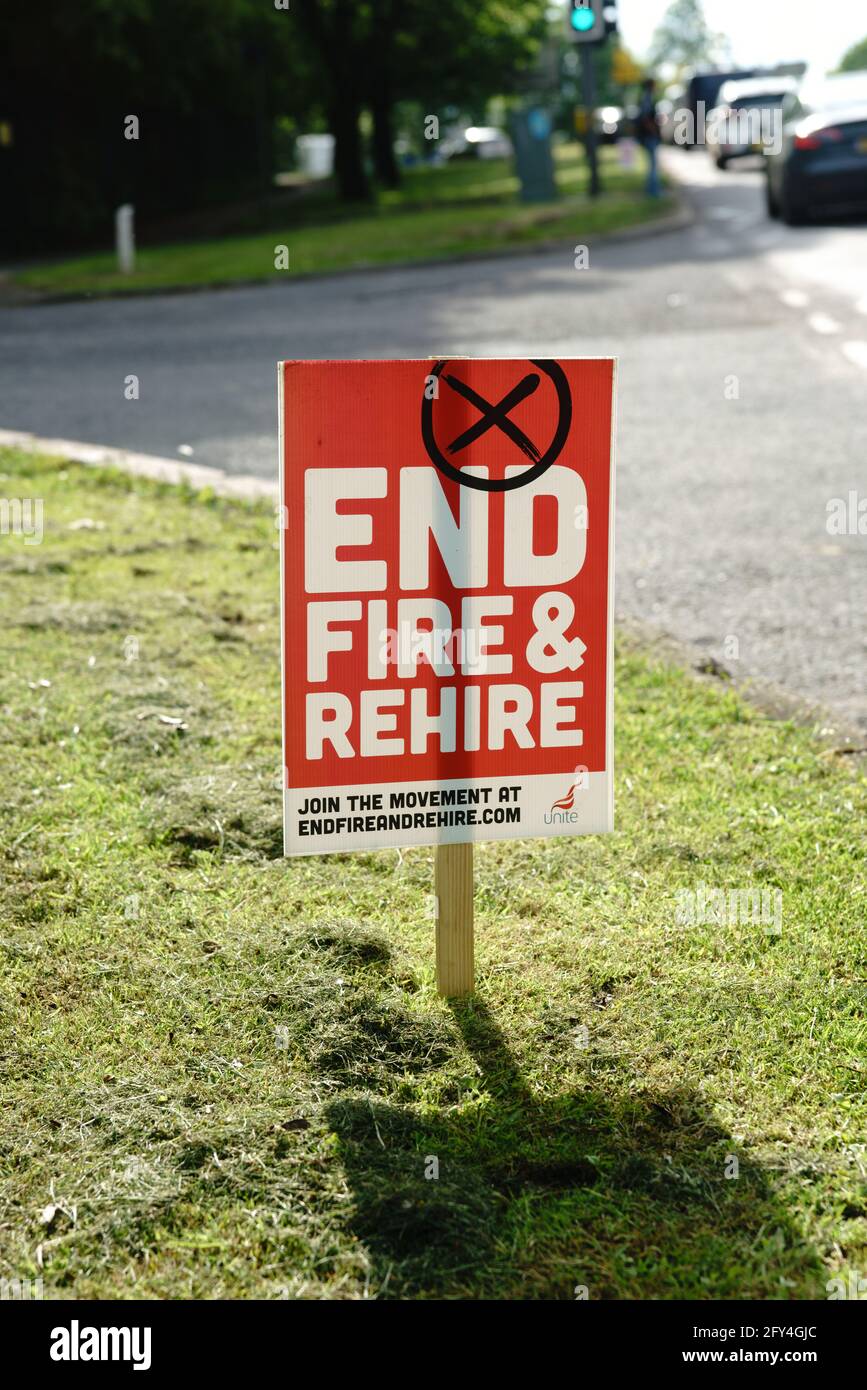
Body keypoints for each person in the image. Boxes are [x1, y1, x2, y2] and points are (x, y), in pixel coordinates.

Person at [636, 77, 662, 198]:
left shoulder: (645, 98)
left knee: (652, 164)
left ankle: (653, 190)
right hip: (649, 136)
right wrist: (654, 131)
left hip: (648, 136)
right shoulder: (647, 98)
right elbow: (646, 119)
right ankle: (653, 192)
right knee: (652, 165)